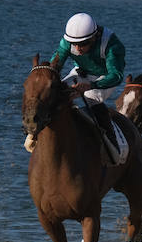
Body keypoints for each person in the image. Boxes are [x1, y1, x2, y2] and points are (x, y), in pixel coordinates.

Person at [47, 13, 126, 159]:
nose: (77, 49)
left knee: (90, 98)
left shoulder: (112, 45)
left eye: (83, 44)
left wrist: (92, 85)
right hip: (81, 73)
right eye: (74, 44)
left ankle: (111, 143)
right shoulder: (67, 43)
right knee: (57, 93)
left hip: (104, 78)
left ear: (94, 37)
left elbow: (116, 76)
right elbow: (54, 67)